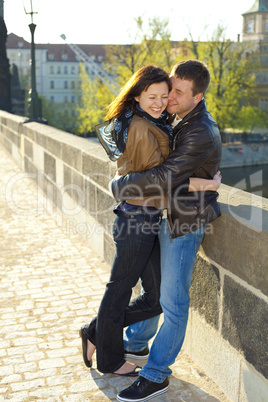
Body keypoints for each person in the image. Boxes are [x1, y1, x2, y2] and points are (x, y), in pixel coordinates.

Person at [79, 64, 221, 377]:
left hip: (148, 218)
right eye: (154, 95)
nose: (164, 100)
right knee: (121, 289)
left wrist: (122, 182)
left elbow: (160, 177)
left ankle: (96, 332)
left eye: (169, 93)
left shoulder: (157, 121)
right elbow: (163, 180)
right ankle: (112, 359)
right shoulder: (146, 126)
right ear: (138, 96)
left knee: (152, 297)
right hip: (138, 220)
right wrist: (209, 185)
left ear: (196, 98)